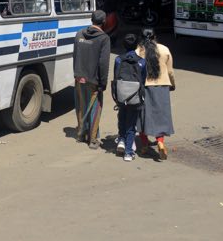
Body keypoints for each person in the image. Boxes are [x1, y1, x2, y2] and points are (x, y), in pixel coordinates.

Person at [72, 9, 111, 149]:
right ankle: (93, 139)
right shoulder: (104, 38)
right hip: (94, 80)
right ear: (104, 22)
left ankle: (81, 134)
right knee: (95, 108)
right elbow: (103, 63)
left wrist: (76, 75)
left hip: (79, 77)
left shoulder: (79, 34)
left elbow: (75, 56)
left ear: (91, 19)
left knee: (81, 106)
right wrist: (103, 82)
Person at [136, 28, 176, 160]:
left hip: (144, 87)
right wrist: (172, 84)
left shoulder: (139, 51)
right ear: (155, 36)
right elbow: (170, 72)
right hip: (162, 86)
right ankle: (160, 142)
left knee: (142, 116)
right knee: (161, 115)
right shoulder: (164, 49)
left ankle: (144, 145)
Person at [112, 33, 147, 162]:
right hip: (135, 96)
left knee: (122, 117)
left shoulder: (118, 60)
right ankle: (128, 152)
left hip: (121, 96)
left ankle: (121, 140)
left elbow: (115, 77)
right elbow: (143, 80)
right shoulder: (142, 62)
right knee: (131, 124)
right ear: (137, 45)